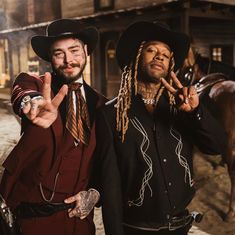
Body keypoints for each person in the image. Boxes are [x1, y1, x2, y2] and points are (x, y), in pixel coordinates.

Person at [91, 21, 227, 235]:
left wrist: (194, 113)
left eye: (166, 54)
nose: (159, 56)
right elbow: (111, 186)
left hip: (181, 228)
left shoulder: (182, 108)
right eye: (151, 50)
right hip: (136, 229)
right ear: (136, 58)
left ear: (171, 64)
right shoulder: (110, 115)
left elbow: (216, 147)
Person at [0, 19, 106, 235]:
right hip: (31, 219)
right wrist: (31, 102)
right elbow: (23, 92)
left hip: (79, 223)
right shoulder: (35, 85)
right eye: (59, 53)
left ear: (86, 50)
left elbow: (106, 163)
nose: (68, 60)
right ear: (50, 57)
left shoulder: (101, 104)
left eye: (74, 50)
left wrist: (95, 192)